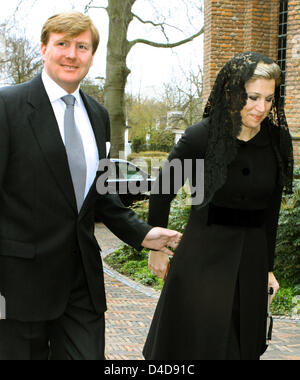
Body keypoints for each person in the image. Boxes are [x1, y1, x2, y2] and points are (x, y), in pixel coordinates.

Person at [0, 11, 182, 360]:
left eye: (82, 46)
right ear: (44, 49)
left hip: (81, 283)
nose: (72, 54)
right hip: (19, 283)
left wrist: (143, 234)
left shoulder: (97, 116)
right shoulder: (7, 107)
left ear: (91, 55)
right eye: (62, 44)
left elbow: (98, 196)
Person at [143, 52, 294, 360]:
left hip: (250, 260)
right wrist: (156, 248)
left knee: (240, 347)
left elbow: (271, 211)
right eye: (252, 97)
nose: (261, 108)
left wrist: (267, 268)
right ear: (234, 91)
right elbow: (162, 191)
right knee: (199, 346)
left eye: (268, 99)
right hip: (202, 257)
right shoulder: (201, 137)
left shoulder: (277, 141)